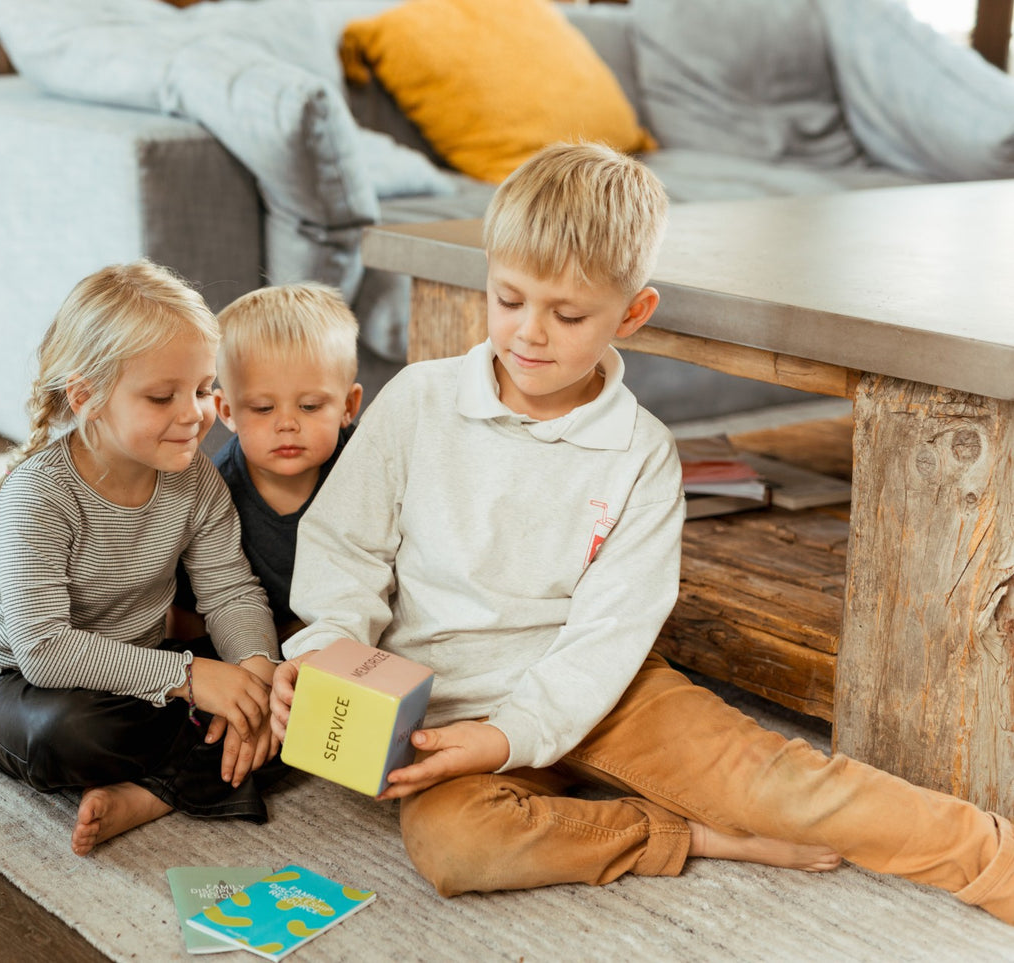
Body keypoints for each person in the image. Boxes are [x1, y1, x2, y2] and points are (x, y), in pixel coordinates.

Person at [269, 143, 1014, 922]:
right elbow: (344, 550)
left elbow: (609, 632)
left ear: (631, 313)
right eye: (508, 298)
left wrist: (515, 733)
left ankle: (991, 858)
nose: (528, 334)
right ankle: (691, 836)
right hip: (440, 708)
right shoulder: (418, 400)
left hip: (607, 688)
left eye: (567, 314)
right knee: (458, 846)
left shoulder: (642, 452)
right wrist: (327, 649)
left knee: (781, 785)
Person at [0, 260, 282, 857]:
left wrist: (256, 676)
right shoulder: (39, 494)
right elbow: (45, 651)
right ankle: (205, 767)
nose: (195, 414)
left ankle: (151, 793)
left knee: (287, 698)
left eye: (205, 389)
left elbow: (230, 591)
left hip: (144, 668)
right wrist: (189, 679)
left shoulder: (195, 479)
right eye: (163, 396)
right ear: (88, 399)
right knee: (67, 735)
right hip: (22, 684)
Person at [173, 283, 363, 641]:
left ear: (348, 408)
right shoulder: (212, 495)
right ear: (226, 411)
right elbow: (187, 616)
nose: (287, 424)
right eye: (263, 408)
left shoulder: (370, 465)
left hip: (356, 633)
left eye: (309, 406)